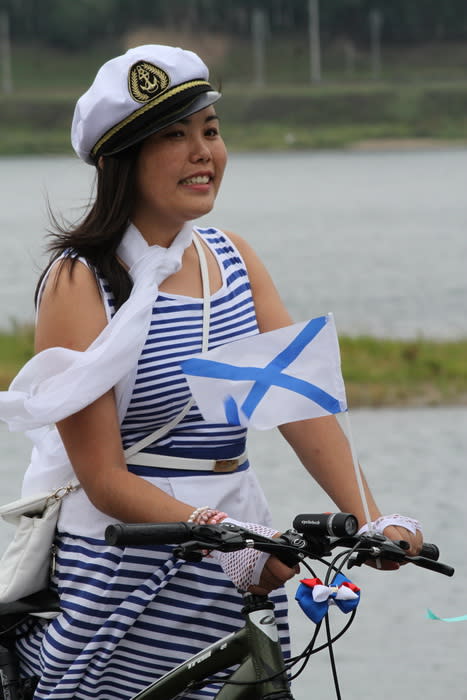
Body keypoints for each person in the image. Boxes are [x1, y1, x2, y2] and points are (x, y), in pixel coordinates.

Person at [0, 45, 422, 699]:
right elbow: (103, 477)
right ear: (120, 160)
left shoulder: (234, 259)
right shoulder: (80, 281)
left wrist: (369, 519)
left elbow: (298, 407)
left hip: (237, 554)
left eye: (211, 131)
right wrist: (228, 541)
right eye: (174, 136)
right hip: (123, 572)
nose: (203, 153)